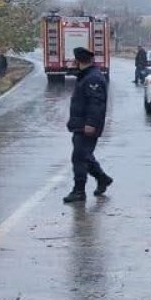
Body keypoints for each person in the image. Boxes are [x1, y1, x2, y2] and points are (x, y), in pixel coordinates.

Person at [63, 47, 112, 203]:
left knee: (78, 158)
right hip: (80, 124)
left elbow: (95, 104)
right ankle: (102, 178)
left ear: (78, 61)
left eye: (74, 60)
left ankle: (79, 191)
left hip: (87, 125)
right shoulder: (86, 76)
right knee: (84, 156)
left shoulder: (93, 78)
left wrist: (90, 123)